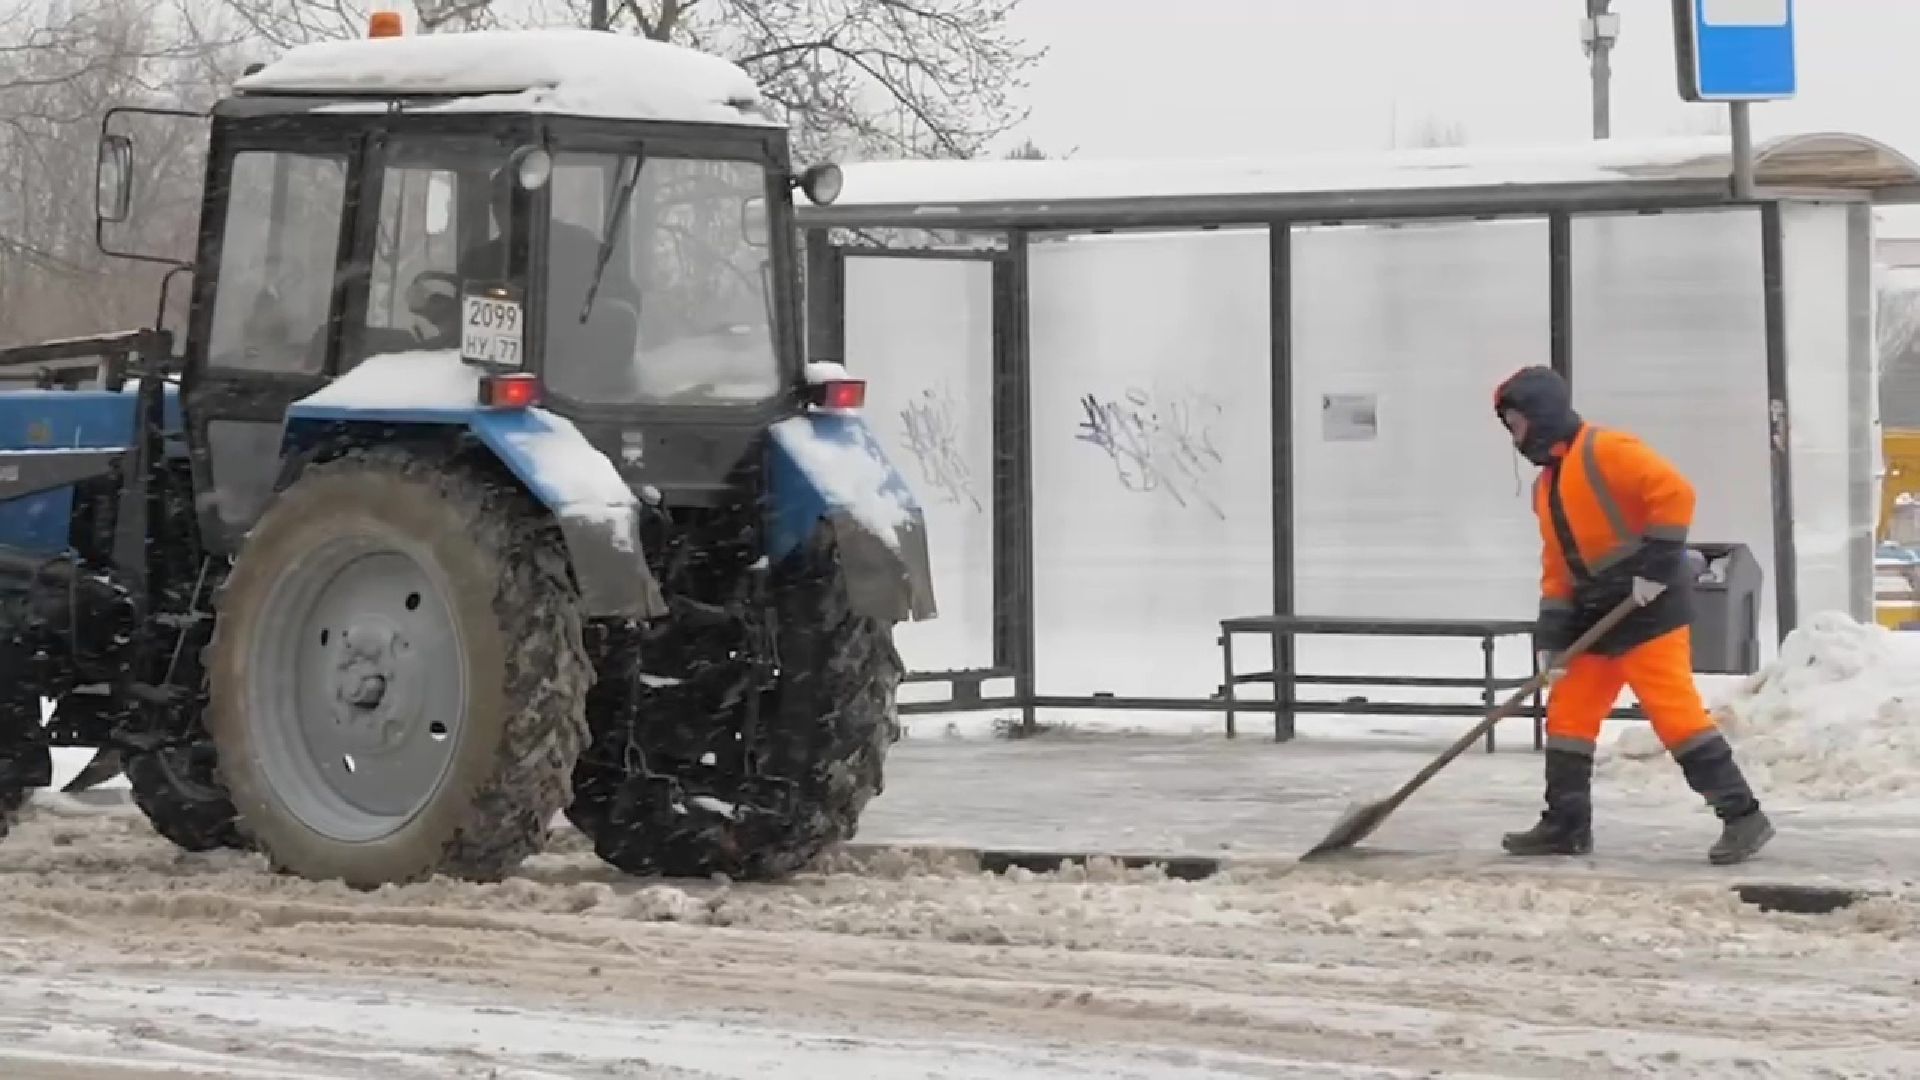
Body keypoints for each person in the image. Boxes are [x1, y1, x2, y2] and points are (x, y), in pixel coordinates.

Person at [1493, 365, 1774, 865]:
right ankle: (1566, 824)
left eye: (1516, 422)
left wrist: (1656, 568)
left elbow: (1675, 493)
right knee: (1569, 714)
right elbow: (1557, 567)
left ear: (1539, 415)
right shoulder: (1546, 488)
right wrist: (1554, 638)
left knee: (1674, 714)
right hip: (1593, 617)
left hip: (1649, 609)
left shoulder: (1606, 450)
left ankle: (1743, 816)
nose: (1514, 435)